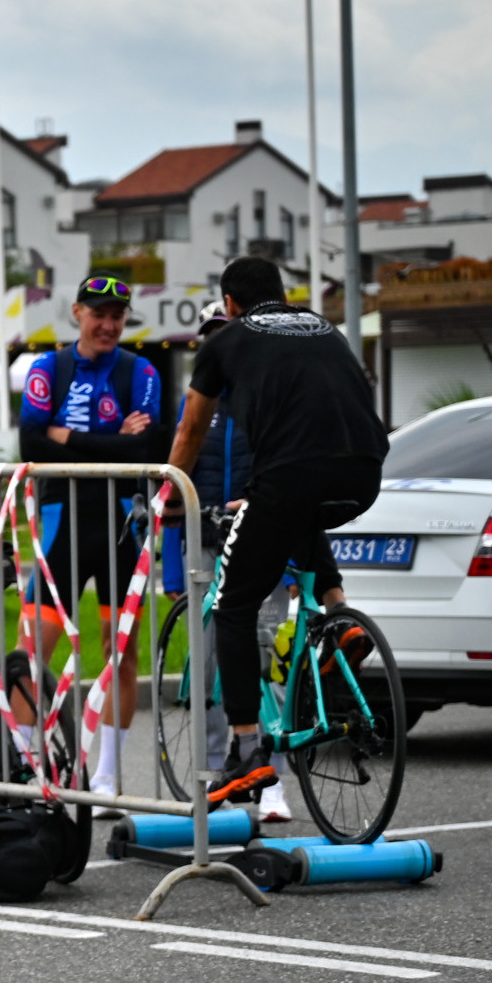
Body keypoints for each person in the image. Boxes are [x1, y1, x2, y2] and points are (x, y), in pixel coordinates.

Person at [165, 255, 386, 804]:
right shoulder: (321, 326)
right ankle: (340, 617)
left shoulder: (225, 341)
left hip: (290, 476)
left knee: (233, 606)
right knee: (303, 511)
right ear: (283, 296)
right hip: (364, 472)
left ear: (231, 304)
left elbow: (193, 429)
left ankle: (246, 751)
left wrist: (169, 494)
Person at [19, 274, 167, 806]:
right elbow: (30, 439)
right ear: (77, 312)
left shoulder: (140, 371)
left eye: (118, 316)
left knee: (119, 652)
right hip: (61, 517)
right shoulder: (48, 368)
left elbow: (147, 446)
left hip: (119, 520)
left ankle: (105, 775)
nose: (108, 324)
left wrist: (66, 438)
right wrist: (107, 443)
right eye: (98, 313)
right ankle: (28, 765)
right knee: (31, 650)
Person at [164, 302, 293, 823]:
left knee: (267, 666)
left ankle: (273, 782)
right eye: (212, 336)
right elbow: (176, 486)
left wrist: (286, 567)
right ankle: (217, 771)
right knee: (211, 667)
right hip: (205, 545)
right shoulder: (194, 404)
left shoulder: (269, 398)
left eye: (229, 333)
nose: (221, 345)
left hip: (260, 544)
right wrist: (173, 574)